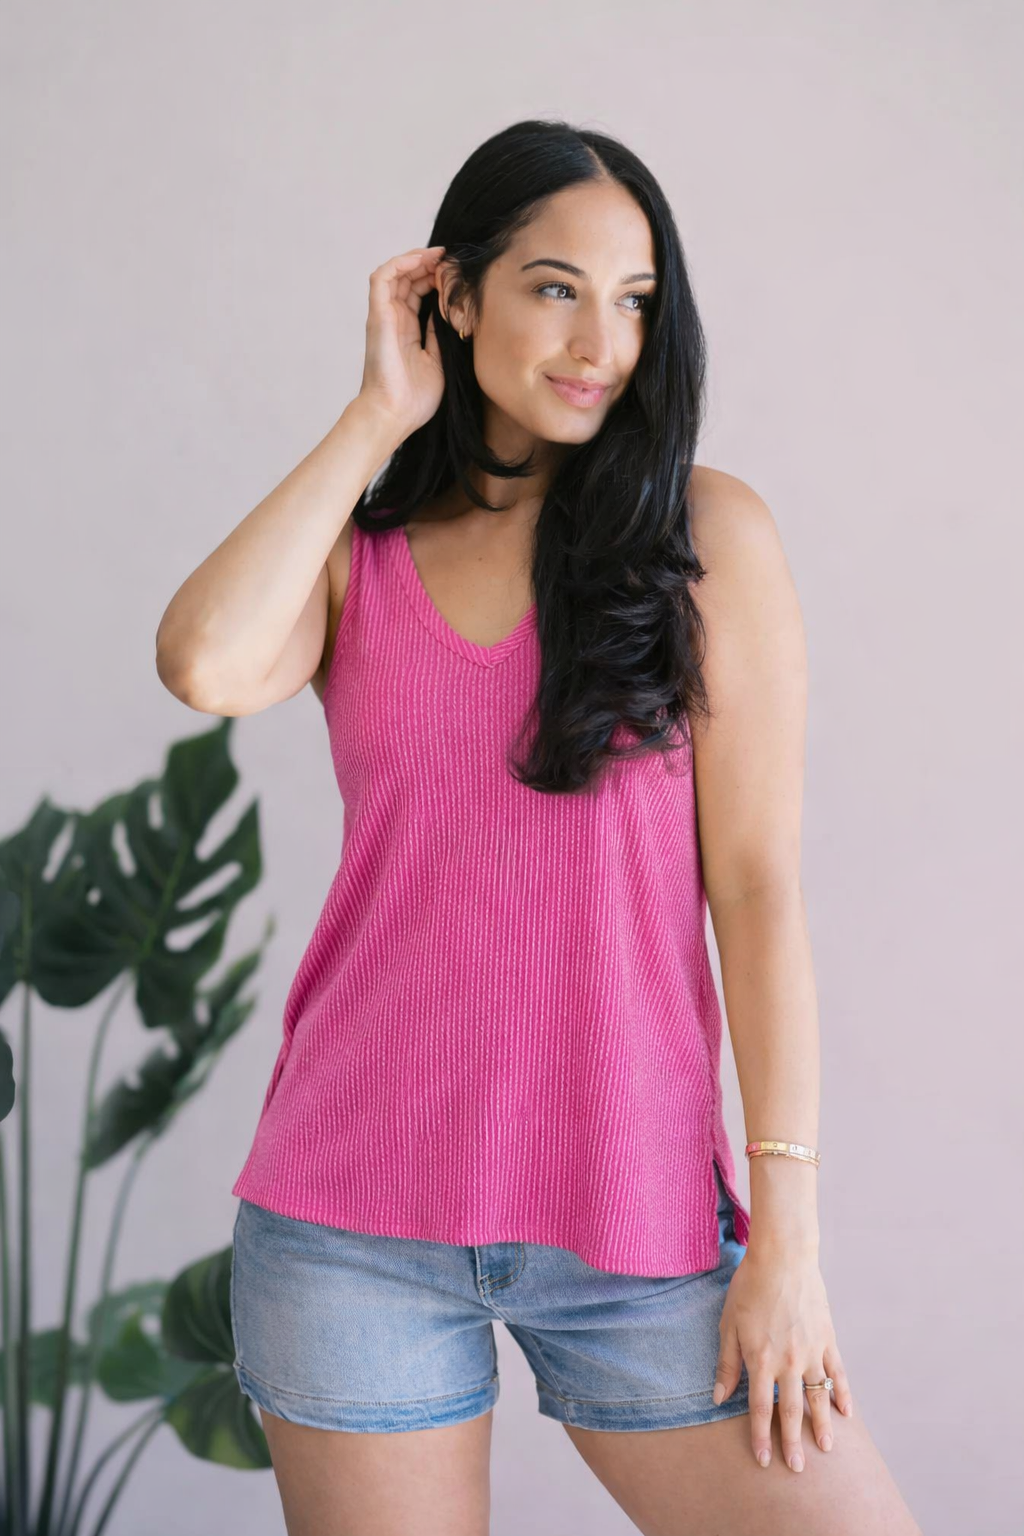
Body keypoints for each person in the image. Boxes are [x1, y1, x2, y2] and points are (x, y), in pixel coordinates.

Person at [155, 119, 923, 1536]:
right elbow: (204, 664)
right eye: (556, 288)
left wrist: (789, 1239)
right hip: (353, 1227)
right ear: (453, 293)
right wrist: (376, 415)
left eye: (634, 301)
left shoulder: (706, 540)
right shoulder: (360, 561)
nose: (599, 344)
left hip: (637, 1223)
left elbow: (757, 889)